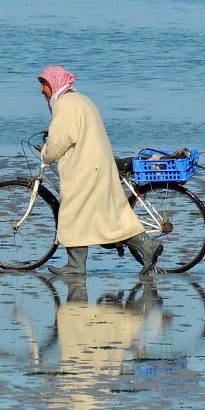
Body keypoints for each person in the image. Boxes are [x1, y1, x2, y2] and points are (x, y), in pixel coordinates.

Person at [36, 65, 163, 276]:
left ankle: (76, 266)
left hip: (84, 168)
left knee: (73, 211)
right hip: (98, 164)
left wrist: (45, 153)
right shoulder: (80, 100)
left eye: (44, 85)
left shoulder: (66, 104)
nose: (42, 90)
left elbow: (59, 142)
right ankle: (148, 247)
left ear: (54, 84)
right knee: (109, 215)